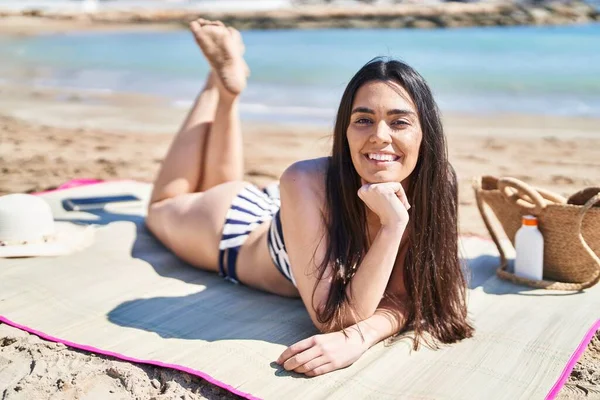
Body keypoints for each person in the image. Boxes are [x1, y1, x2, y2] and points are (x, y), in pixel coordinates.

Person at [146, 19, 474, 377]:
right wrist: (393, 225)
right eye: (363, 120)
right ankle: (217, 85)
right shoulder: (305, 178)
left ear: (425, 133)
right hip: (235, 229)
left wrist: (361, 336)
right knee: (162, 205)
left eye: (399, 122)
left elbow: (407, 296)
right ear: (344, 130)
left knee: (218, 180)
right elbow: (335, 319)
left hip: (287, 212)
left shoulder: (436, 184)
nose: (380, 136)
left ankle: (228, 89)